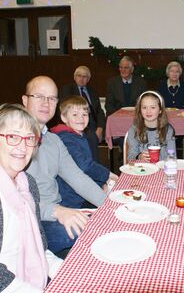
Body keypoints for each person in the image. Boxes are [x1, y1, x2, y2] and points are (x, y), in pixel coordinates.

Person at [22, 76, 114, 254]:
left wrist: (109, 207)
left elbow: (77, 178)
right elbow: (15, 202)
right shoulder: (13, 142)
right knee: (90, 235)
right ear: (25, 100)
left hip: (55, 214)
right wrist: (57, 211)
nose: (46, 103)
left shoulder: (53, 140)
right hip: (29, 222)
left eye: (52, 98)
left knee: (104, 224)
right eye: (39, 96)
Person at [0, 104, 62, 292]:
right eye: (12, 136)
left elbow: (39, 248)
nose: (22, 146)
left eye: (29, 138)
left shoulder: (28, 184)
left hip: (35, 281)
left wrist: (65, 270)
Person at [51, 96, 115, 209]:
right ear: (64, 117)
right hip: (72, 199)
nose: (80, 118)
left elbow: (89, 167)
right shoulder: (66, 139)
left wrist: (100, 184)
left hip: (82, 191)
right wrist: (108, 175)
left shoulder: (80, 135)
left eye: (84, 114)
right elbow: (84, 165)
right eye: (75, 114)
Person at [59, 65, 105, 161]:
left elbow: (99, 111)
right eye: (79, 76)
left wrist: (100, 129)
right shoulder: (67, 89)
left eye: (84, 77)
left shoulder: (92, 92)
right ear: (75, 77)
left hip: (93, 125)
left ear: (88, 79)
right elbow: (64, 110)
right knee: (92, 137)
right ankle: (93, 165)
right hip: (76, 124)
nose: (81, 79)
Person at [127, 91, 176, 161]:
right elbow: (131, 157)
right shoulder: (134, 130)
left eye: (152, 107)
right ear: (140, 110)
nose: (148, 111)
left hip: (163, 168)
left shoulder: (168, 130)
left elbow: (172, 155)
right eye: (144, 107)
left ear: (160, 110)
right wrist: (139, 156)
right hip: (142, 169)